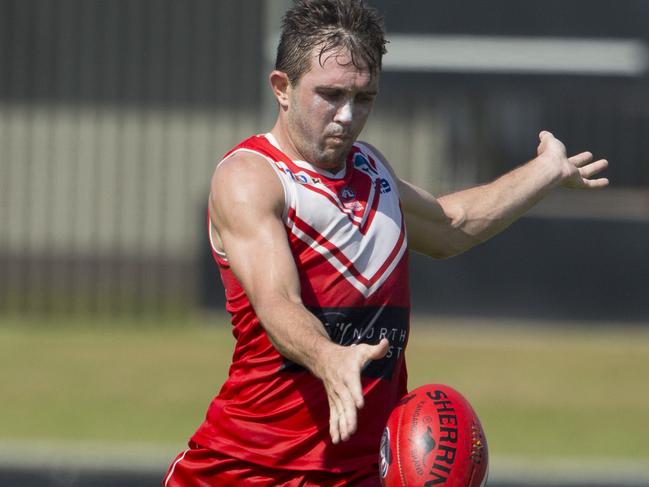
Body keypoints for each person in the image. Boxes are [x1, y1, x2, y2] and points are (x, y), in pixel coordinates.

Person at [163, 0, 608, 485]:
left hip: (358, 473)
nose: (347, 116)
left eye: (364, 97)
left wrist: (546, 171)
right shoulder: (251, 177)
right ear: (282, 89)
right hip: (246, 470)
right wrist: (328, 355)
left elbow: (450, 226)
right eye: (330, 94)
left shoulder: (374, 172)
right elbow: (277, 302)